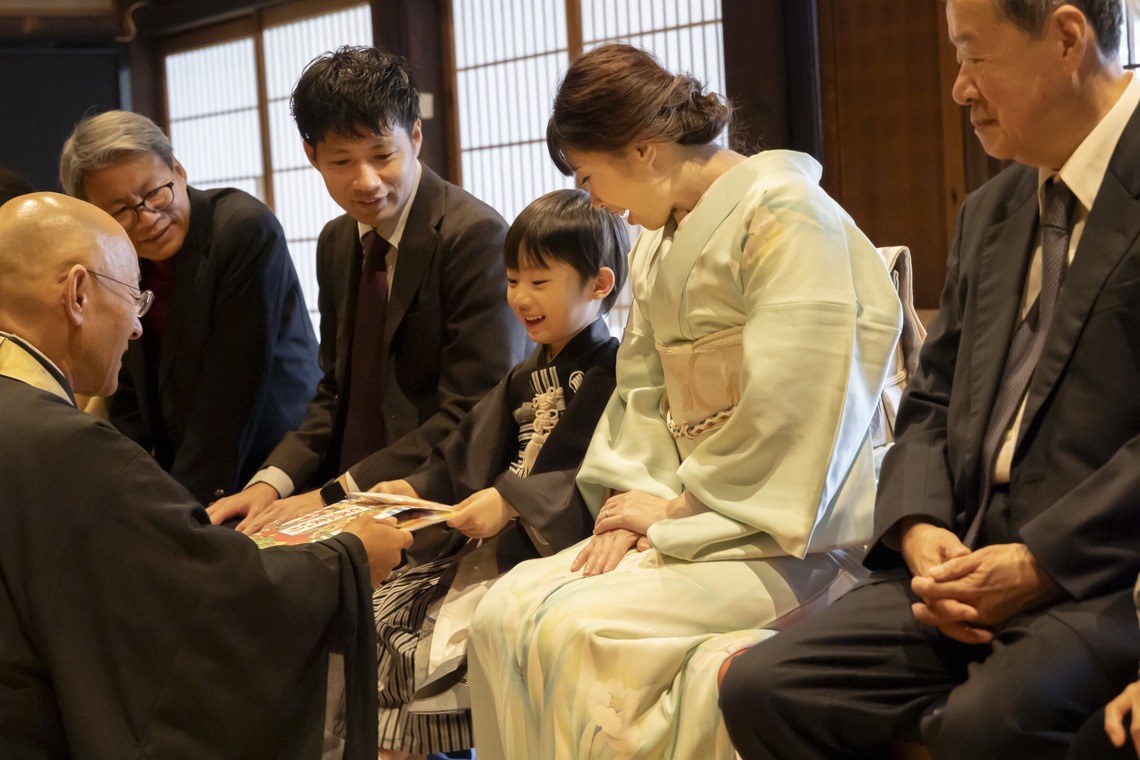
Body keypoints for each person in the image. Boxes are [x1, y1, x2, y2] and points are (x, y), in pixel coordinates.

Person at [719, 1, 1140, 757]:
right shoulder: (992, 209)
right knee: (764, 686)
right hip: (965, 558)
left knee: (985, 728)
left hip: (1103, 572)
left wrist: (1042, 561)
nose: (958, 89)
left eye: (974, 57)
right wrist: (919, 527)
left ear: (1068, 38)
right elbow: (931, 400)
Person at [466, 43, 903, 760]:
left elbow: (798, 406)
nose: (594, 198)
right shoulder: (654, 245)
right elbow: (641, 394)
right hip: (699, 515)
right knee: (504, 612)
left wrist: (676, 512)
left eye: (588, 175)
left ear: (642, 148)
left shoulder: (788, 216)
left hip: (795, 529)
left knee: (583, 631)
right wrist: (630, 506)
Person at [0, 192, 413, 759]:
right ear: (77, 294)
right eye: (132, 299)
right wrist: (348, 558)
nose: (138, 327)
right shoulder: (64, 445)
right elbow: (204, 599)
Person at [208, 46, 528, 537]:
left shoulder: (475, 237)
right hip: (348, 495)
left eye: (383, 156)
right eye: (341, 161)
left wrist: (334, 494)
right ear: (311, 156)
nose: (366, 182)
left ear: (416, 136)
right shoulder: (337, 241)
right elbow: (335, 392)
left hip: (439, 496)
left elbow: (474, 411)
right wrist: (270, 485)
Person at [361, 188, 627, 759]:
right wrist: (415, 487)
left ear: (599, 285)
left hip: (544, 549)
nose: (519, 298)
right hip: (487, 542)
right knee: (379, 611)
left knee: (433, 642)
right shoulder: (523, 373)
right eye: (512, 281)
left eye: (539, 281)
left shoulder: (614, 371)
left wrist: (509, 504)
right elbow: (467, 447)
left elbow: (595, 469)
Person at [59, 110, 321, 507]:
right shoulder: (112, 261)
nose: (147, 219)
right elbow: (127, 396)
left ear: (178, 171)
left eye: (154, 193)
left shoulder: (242, 229)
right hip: (189, 472)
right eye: (120, 211)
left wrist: (180, 513)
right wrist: (132, 494)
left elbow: (231, 393)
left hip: (275, 467)